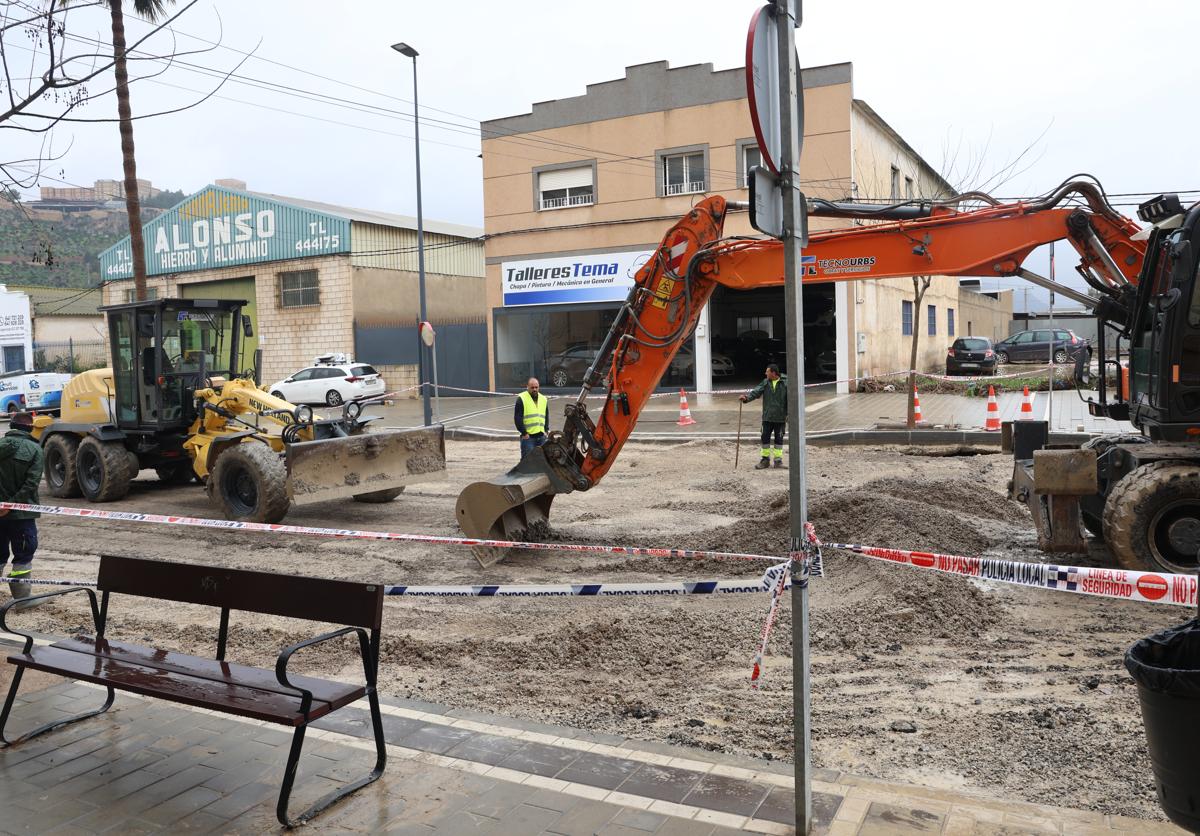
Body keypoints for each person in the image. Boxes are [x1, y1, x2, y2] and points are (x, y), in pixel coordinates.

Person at [0, 412, 44, 608]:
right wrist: (12, 505)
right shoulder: (35, 449)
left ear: (11, 426)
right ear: (30, 428)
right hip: (21, 514)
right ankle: (22, 600)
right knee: (24, 554)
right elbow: (31, 484)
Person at [740, 363, 787, 470]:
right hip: (767, 417)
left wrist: (789, 414)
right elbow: (756, 392)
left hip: (780, 418)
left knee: (779, 440)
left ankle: (778, 461)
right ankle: (765, 460)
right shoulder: (765, 383)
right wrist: (746, 398)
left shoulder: (785, 382)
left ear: (773, 373)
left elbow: (792, 397)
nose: (765, 373)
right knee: (765, 438)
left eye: (767, 371)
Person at [515, 377, 549, 460]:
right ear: (527, 387)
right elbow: (517, 418)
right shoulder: (521, 398)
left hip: (541, 436)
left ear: (539, 387)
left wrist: (546, 430)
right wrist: (524, 433)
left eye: (536, 387)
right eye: (532, 387)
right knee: (527, 461)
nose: (534, 389)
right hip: (528, 437)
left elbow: (546, 416)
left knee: (543, 460)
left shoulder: (543, 399)